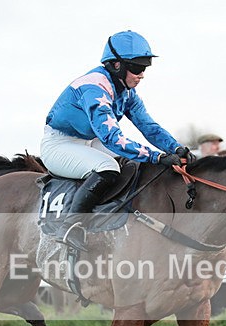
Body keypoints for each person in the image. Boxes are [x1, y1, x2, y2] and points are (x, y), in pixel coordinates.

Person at [41, 30, 196, 251]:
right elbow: (112, 138)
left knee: (133, 165)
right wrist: (157, 156)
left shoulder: (126, 92)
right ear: (116, 65)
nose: (142, 74)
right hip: (59, 144)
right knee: (108, 167)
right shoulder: (94, 88)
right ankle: (71, 226)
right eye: (137, 67)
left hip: (88, 141)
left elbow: (148, 127)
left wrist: (176, 147)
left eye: (145, 68)